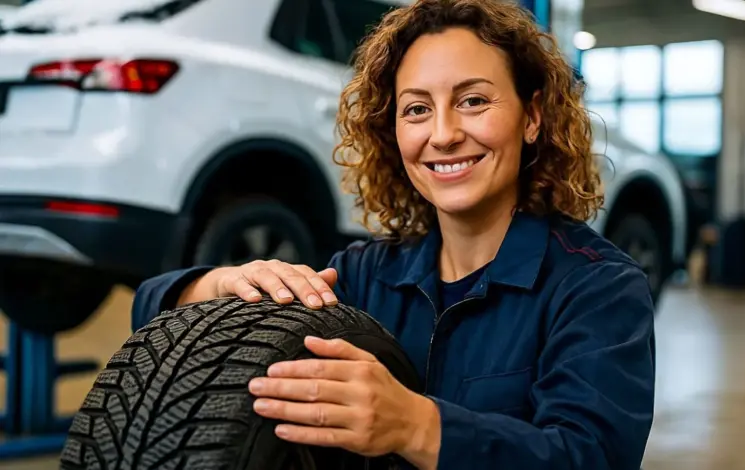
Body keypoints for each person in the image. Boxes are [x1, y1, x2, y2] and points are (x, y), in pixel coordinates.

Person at [131, 0, 656, 468]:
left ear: (533, 117)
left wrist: (417, 426)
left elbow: (590, 455)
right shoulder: (365, 274)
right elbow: (160, 326)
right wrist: (223, 286)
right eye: (417, 109)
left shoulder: (597, 287)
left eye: (473, 101)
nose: (444, 135)